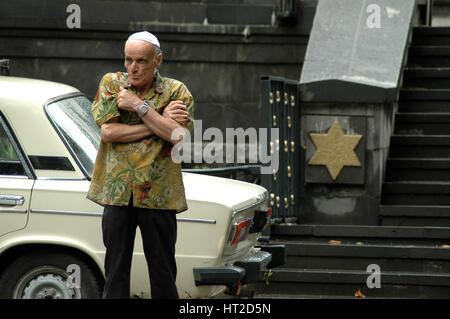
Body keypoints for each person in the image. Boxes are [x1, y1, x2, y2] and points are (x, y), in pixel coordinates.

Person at [87, 31, 194, 299]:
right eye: (128, 60)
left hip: (159, 194)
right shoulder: (112, 83)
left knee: (163, 273)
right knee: (115, 273)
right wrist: (157, 122)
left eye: (141, 61)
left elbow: (178, 135)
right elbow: (109, 133)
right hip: (118, 193)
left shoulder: (176, 91)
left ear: (157, 60)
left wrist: (140, 107)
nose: (133, 68)